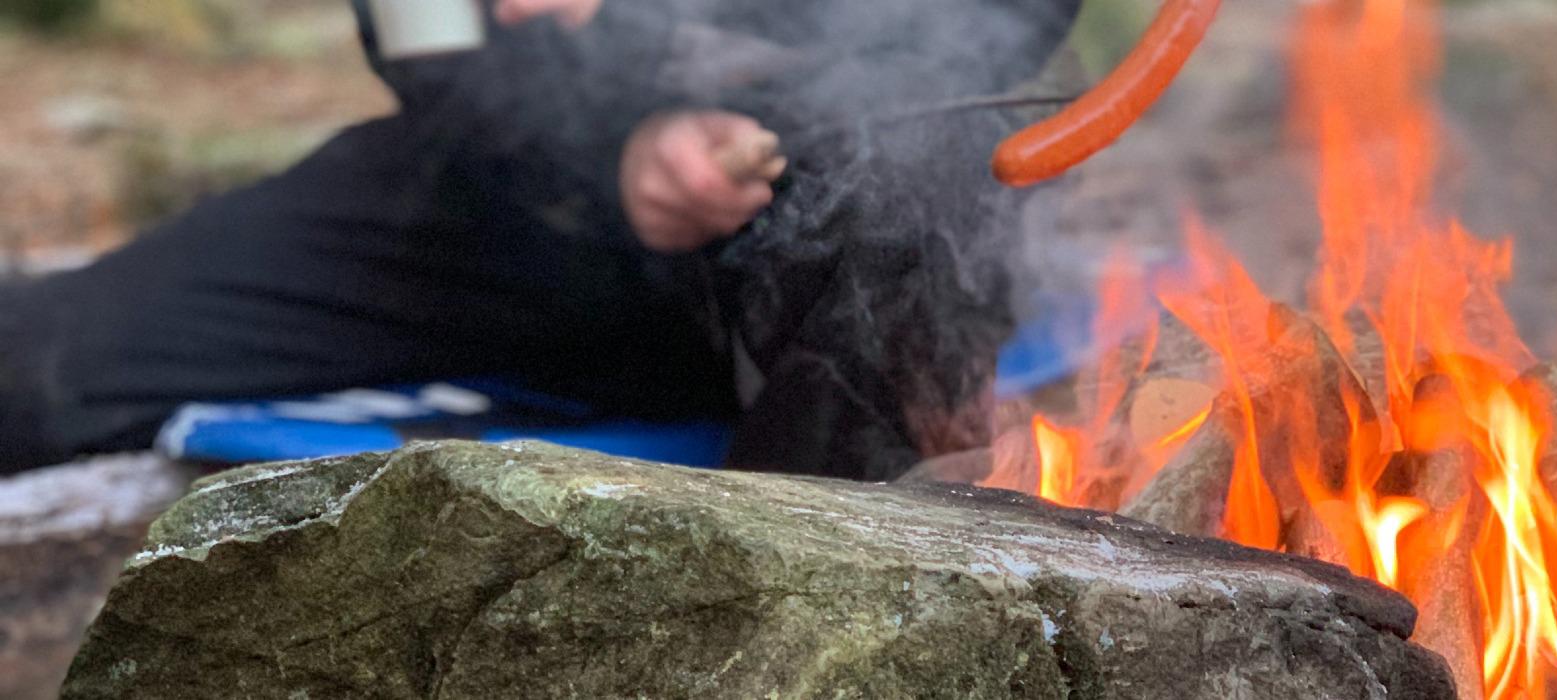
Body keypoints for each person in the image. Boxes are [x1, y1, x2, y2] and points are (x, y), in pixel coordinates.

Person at [0, 0, 1081, 478]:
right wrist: (605, 163)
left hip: (855, 176)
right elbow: (430, 49)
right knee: (41, 363)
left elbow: (1000, 20)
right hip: (511, 190)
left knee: (901, 232)